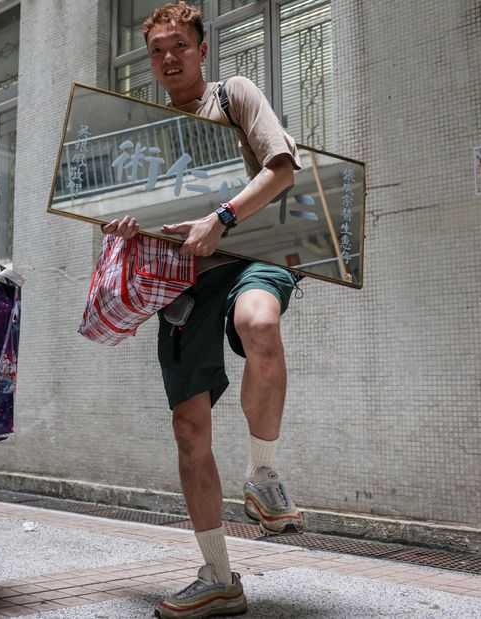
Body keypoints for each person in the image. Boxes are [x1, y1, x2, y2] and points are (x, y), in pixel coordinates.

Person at [103, 3, 303, 616]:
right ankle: (218, 576)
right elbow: (139, 209)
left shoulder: (234, 95)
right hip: (184, 281)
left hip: (253, 252)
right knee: (189, 428)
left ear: (201, 48)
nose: (167, 58)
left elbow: (283, 168)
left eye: (179, 46)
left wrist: (223, 218)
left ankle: (263, 475)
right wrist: (128, 226)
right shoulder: (146, 130)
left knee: (259, 323)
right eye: (157, 50)